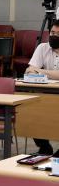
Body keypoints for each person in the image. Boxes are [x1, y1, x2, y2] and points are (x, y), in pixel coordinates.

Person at [25, 22, 59, 155]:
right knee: (32, 110)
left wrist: (40, 71)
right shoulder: (42, 47)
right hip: (47, 92)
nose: (54, 36)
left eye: (58, 34)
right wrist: (34, 71)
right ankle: (44, 147)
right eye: (52, 33)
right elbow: (29, 70)